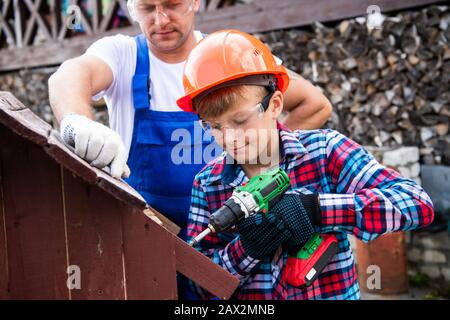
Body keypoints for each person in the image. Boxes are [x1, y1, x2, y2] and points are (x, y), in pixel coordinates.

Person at [177, 30, 434, 300]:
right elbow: (200, 285)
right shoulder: (208, 184)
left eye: (241, 121)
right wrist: (246, 249)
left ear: (275, 104)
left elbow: (416, 203)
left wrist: (317, 210)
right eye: (214, 127)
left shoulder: (324, 152)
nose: (229, 138)